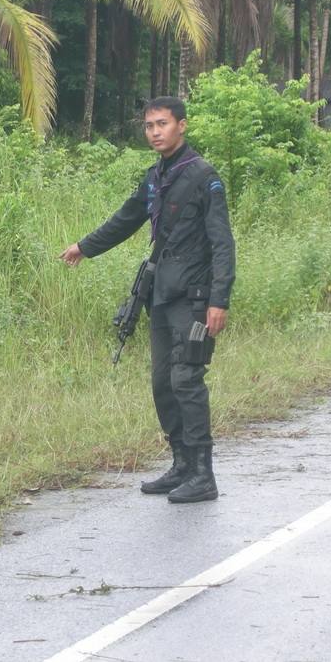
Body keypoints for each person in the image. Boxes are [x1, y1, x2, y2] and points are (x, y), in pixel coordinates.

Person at [59, 96, 235, 503]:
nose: (155, 131)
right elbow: (125, 219)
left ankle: (203, 474)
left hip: (194, 297)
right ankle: (181, 465)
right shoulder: (154, 177)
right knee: (162, 383)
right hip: (160, 294)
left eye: (163, 124)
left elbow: (222, 243)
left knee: (186, 379)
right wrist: (84, 247)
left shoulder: (204, 176)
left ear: (182, 126)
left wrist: (218, 300)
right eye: (149, 125)